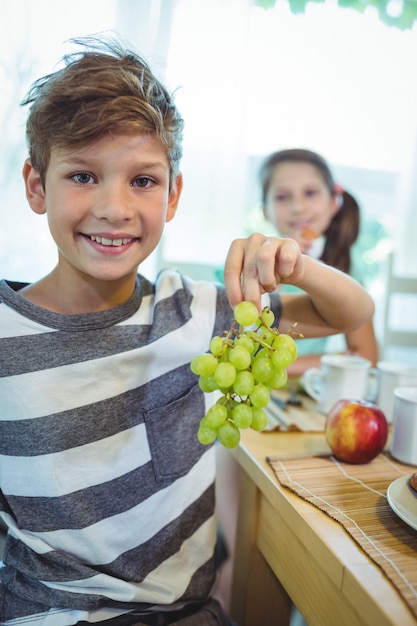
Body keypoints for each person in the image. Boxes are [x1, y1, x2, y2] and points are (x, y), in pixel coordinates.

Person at [0, 37, 375, 626]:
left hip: (185, 614)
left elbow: (349, 313)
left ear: (173, 194)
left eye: (143, 181)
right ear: (36, 186)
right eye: (83, 175)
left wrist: (298, 266)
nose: (114, 208)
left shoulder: (194, 311)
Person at [259, 148, 378, 377]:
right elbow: (243, 335)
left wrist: (272, 368)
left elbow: (365, 356)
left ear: (334, 203)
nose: (298, 207)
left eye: (310, 193)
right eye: (282, 197)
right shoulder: (248, 264)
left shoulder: (345, 270)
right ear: (265, 211)